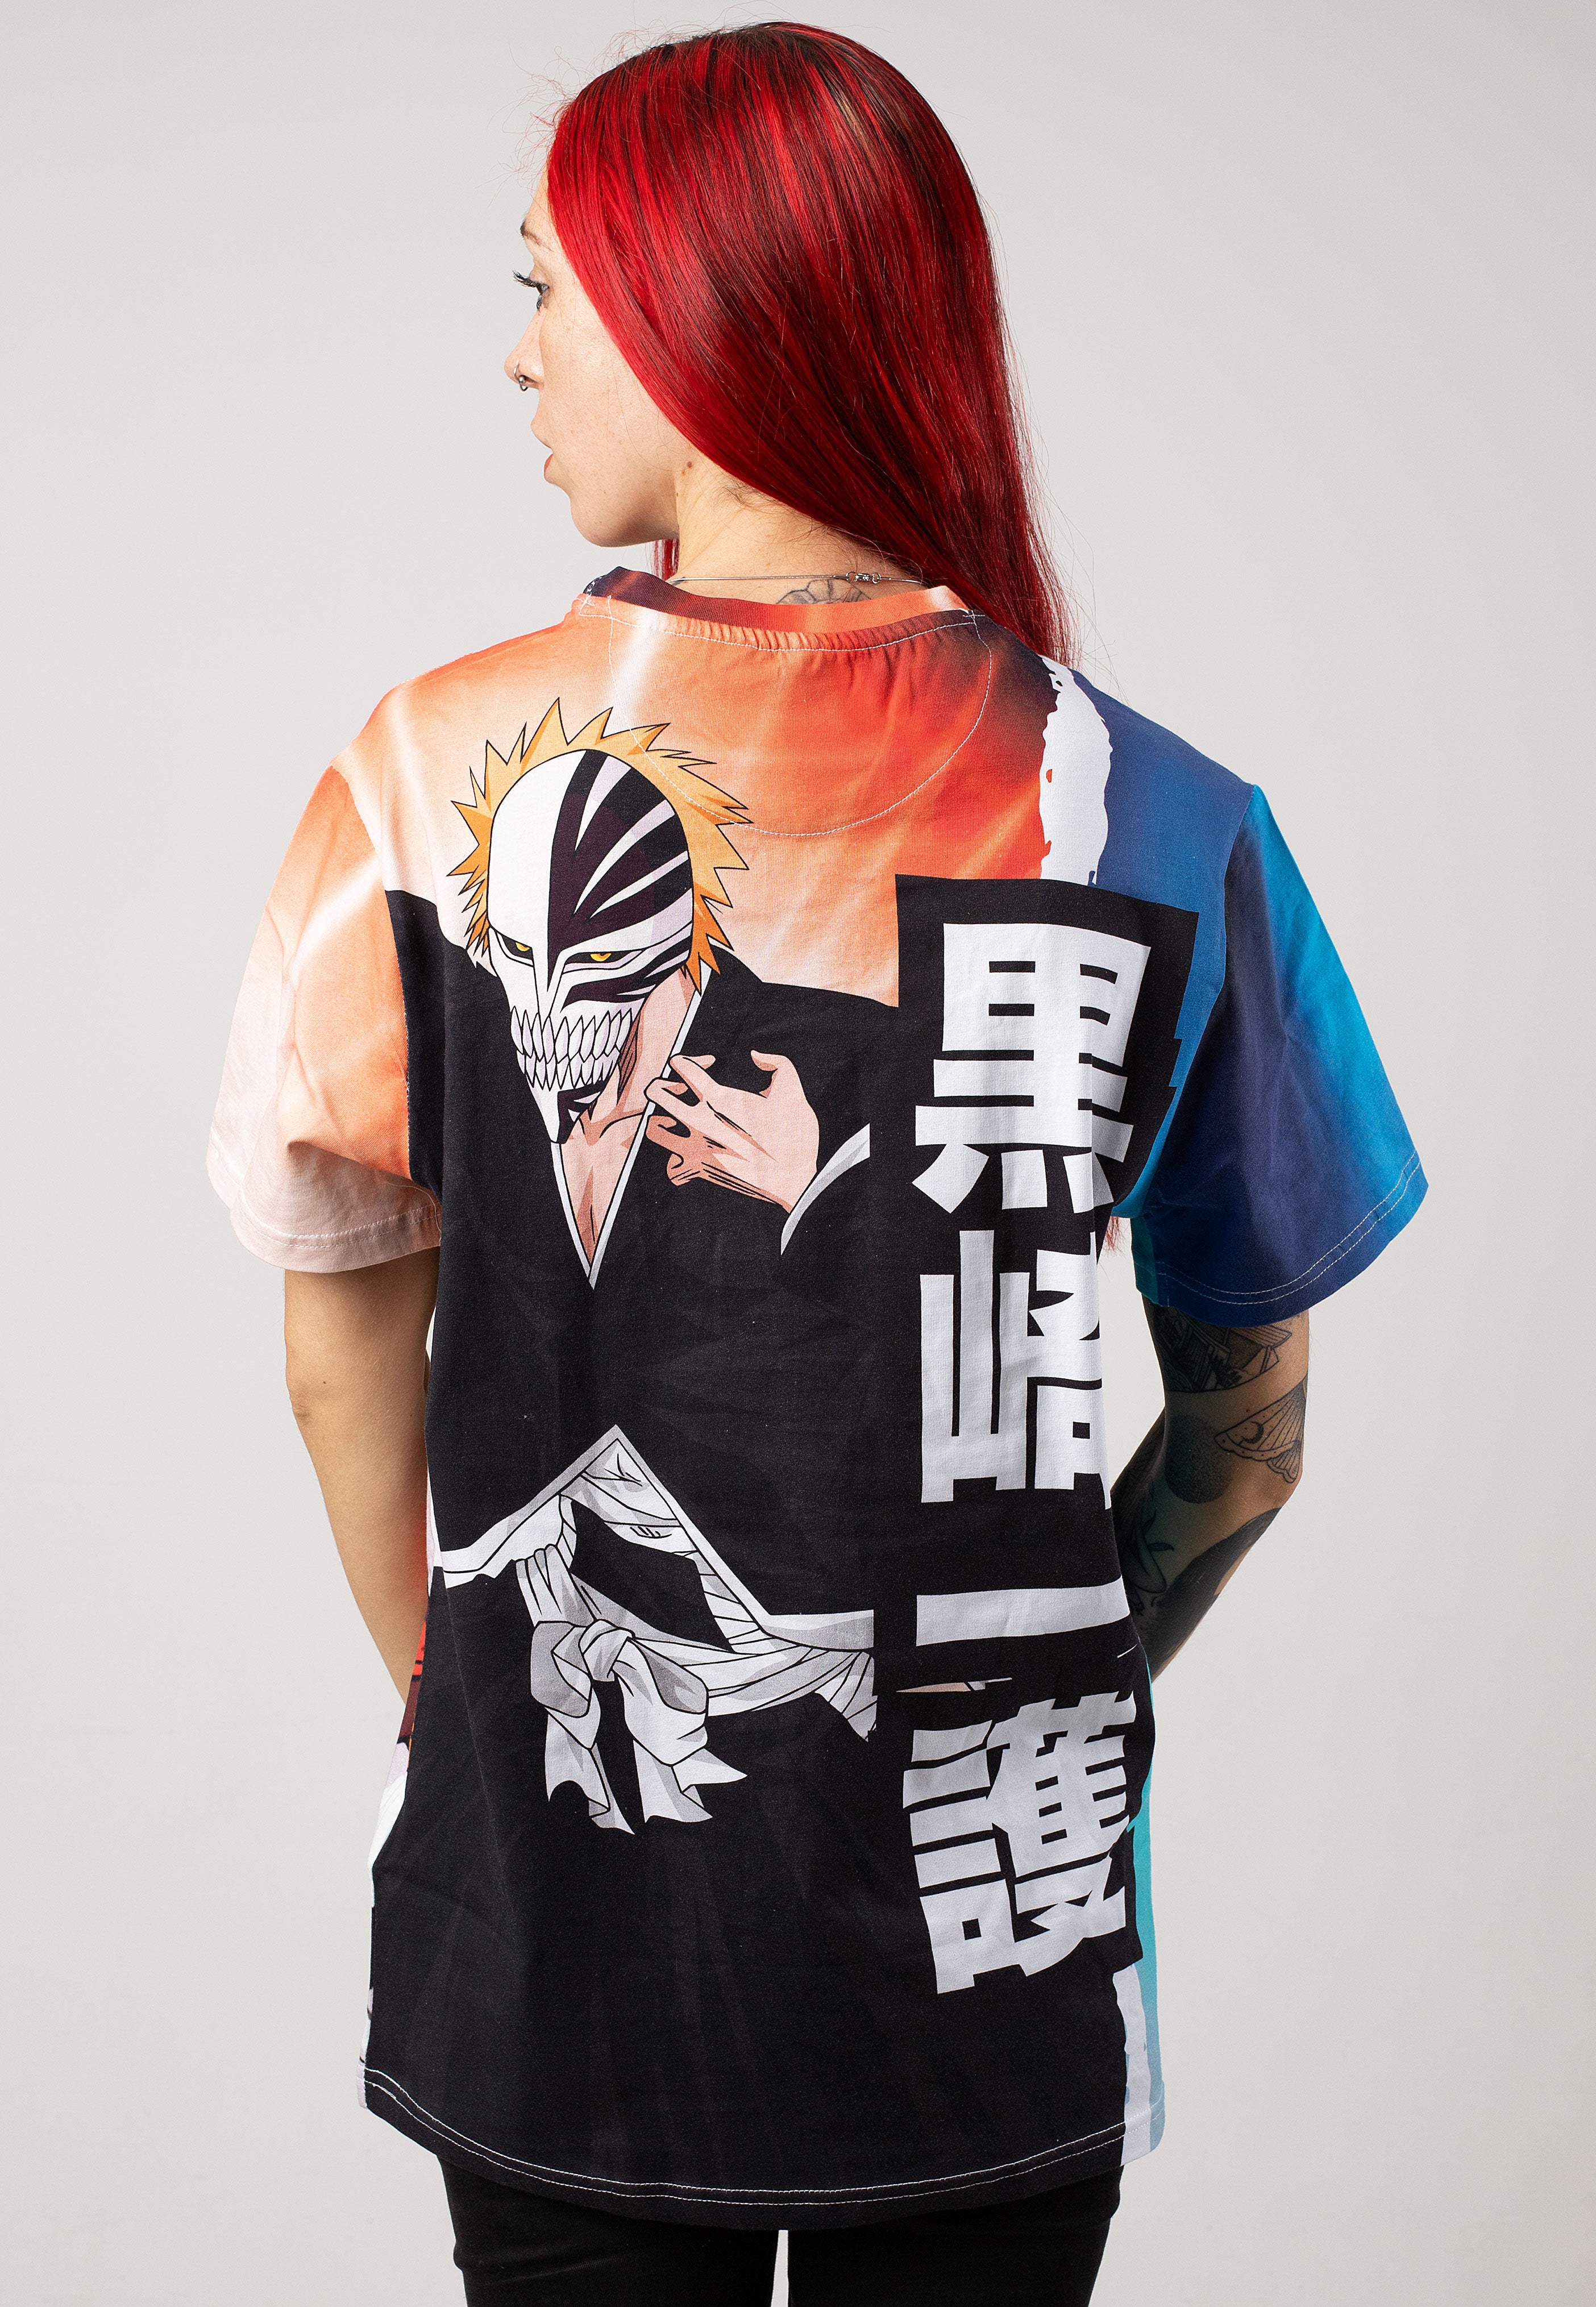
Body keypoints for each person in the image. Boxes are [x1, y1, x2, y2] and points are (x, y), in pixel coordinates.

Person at [207, 23, 1424, 2304]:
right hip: (994, 1927)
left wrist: (464, 1686)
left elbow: (336, 1352)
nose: (519, 355)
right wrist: (1045, 1666)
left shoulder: (415, 776)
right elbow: (1250, 1443)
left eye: (550, 290)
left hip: (559, 1952)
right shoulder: (1167, 819)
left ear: (699, 312)